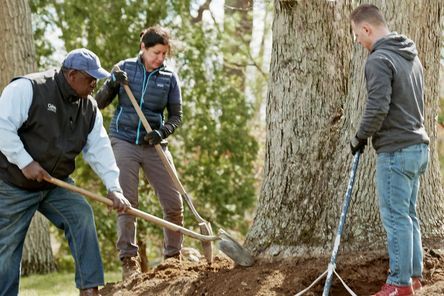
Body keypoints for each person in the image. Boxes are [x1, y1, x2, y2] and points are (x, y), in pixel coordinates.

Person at [0, 48, 132, 296]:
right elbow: (2, 127)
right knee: (7, 246)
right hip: (13, 184)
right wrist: (25, 162)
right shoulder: (29, 88)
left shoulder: (89, 108)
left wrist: (114, 188)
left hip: (54, 184)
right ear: (72, 75)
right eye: (90, 79)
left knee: (81, 215)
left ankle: (90, 289)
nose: (95, 84)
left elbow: (99, 149)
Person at [349, 4, 429, 296]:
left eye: (357, 34)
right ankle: (414, 276)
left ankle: (398, 283)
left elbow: (378, 106)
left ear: (367, 29)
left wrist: (359, 137)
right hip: (418, 148)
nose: (357, 40)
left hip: (396, 151)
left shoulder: (378, 59)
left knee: (396, 218)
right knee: (409, 214)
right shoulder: (411, 56)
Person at [95, 25, 184, 280]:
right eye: (156, 52)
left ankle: (173, 258)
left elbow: (176, 116)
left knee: (173, 202)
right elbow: (99, 103)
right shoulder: (124, 68)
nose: (160, 58)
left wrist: (162, 132)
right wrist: (112, 83)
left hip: (154, 144)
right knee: (127, 202)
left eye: (164, 54)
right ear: (143, 48)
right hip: (123, 141)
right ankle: (128, 260)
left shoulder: (168, 78)